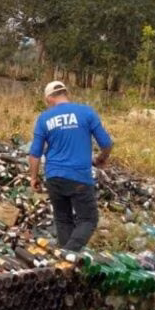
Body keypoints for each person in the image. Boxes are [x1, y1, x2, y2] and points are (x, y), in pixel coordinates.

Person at [28, 81, 113, 252]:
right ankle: (66, 255)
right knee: (88, 220)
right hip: (79, 177)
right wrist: (100, 159)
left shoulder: (44, 118)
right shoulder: (86, 112)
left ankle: (65, 265)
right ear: (65, 93)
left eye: (47, 101)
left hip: (54, 177)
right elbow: (106, 143)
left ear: (49, 98)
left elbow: (35, 153)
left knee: (63, 219)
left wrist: (34, 178)